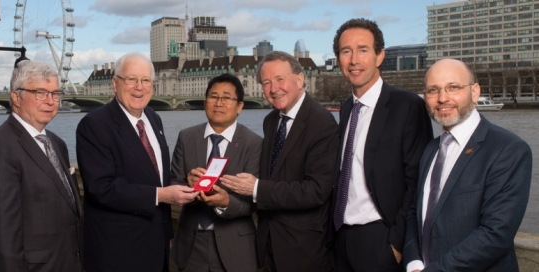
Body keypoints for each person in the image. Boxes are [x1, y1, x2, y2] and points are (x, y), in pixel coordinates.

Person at [404, 58, 532, 271]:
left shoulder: (508, 149)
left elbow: (495, 234)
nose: (443, 98)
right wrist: (414, 262)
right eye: (433, 90)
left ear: (475, 92)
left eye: (453, 87)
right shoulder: (430, 150)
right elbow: (414, 213)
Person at [76, 52, 199, 272]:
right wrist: (161, 195)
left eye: (145, 80)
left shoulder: (153, 117)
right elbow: (101, 188)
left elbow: (155, 174)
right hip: (118, 250)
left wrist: (182, 183)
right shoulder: (94, 124)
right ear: (115, 83)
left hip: (156, 244)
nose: (139, 87)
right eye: (131, 79)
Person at [330, 18, 434, 272]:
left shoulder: (408, 106)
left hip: (381, 240)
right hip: (340, 238)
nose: (354, 59)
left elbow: (418, 180)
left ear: (379, 56)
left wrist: (397, 243)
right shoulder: (346, 108)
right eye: (346, 51)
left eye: (363, 50)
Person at [221, 51, 340, 271]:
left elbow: (316, 190)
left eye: (279, 79)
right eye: (266, 82)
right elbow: (272, 173)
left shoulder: (322, 124)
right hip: (268, 245)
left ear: (300, 79)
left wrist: (256, 188)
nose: (273, 89)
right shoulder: (271, 120)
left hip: (303, 249)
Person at [0, 61, 83, 271]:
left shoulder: (57, 143)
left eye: (55, 93)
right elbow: (4, 228)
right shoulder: (0, 145)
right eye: (40, 93)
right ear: (16, 97)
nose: (50, 101)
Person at [170, 73, 261, 272]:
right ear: (205, 103)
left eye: (227, 97)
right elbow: (173, 185)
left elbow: (254, 201)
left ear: (240, 106)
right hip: (191, 245)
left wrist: (226, 202)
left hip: (236, 248)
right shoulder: (186, 138)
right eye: (213, 97)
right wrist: (189, 187)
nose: (218, 103)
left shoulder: (254, 144)